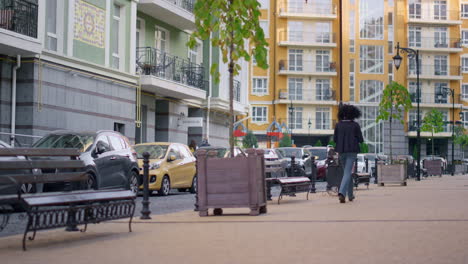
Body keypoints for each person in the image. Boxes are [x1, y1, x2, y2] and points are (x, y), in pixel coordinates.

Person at [333, 104, 364, 203]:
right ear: (353, 114)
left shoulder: (338, 125)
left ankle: (350, 195)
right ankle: (342, 193)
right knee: (347, 172)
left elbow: (335, 139)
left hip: (341, 151)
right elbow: (361, 139)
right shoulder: (355, 125)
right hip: (352, 151)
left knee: (347, 172)